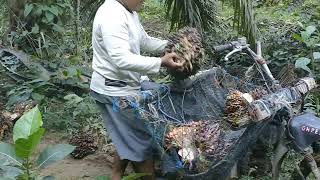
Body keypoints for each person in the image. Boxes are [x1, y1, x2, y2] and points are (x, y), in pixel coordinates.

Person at [89, 0, 183, 180]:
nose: (144, 0)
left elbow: (145, 41)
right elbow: (121, 59)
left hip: (126, 85)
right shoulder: (112, 15)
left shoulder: (128, 12)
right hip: (115, 91)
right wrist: (161, 62)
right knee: (140, 140)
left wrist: (171, 47)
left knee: (125, 133)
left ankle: (116, 174)